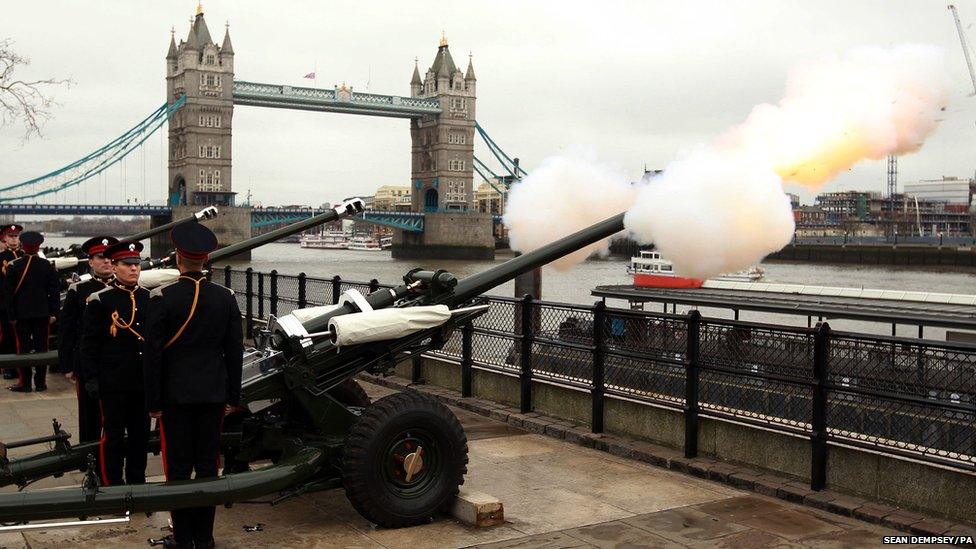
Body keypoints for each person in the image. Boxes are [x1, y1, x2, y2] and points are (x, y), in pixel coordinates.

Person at [145, 223, 242, 549]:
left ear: (177, 257)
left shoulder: (162, 297)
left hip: (175, 397)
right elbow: (234, 351)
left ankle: (183, 538)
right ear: (206, 259)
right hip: (213, 394)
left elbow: (153, 356)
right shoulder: (225, 298)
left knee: (177, 469)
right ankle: (205, 537)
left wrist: (153, 402)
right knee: (207, 467)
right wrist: (233, 396)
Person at [79, 241, 150, 486]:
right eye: (127, 264)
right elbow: (89, 344)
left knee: (140, 438)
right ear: (116, 267)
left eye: (136, 264)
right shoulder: (101, 300)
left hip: (141, 382)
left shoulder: (149, 297)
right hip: (113, 382)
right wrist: (91, 378)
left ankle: (137, 485)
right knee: (113, 437)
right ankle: (112, 486)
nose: (133, 269)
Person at [60, 236, 119, 443]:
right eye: (100, 257)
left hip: (117, 363)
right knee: (89, 416)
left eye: (110, 258)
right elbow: (67, 330)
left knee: (116, 417)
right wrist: (67, 364)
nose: (106, 262)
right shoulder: (79, 290)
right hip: (87, 363)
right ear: (90, 261)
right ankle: (89, 460)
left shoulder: (125, 291)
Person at [3, 231, 58, 392]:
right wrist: (54, 313)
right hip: (43, 314)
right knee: (42, 348)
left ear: (22, 245)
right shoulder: (47, 265)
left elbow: (8, 294)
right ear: (39, 246)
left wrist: (11, 316)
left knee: (23, 350)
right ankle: (41, 383)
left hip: (21, 315)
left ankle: (25, 383)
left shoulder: (14, 265)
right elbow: (54, 291)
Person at [0, 224, 24, 380]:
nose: (14, 239)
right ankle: (8, 368)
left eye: (16, 236)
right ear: (4, 238)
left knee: (22, 337)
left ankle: (22, 367)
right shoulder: (1, 258)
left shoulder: (26, 256)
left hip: (23, 303)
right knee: (7, 337)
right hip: (4, 304)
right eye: (11, 236)